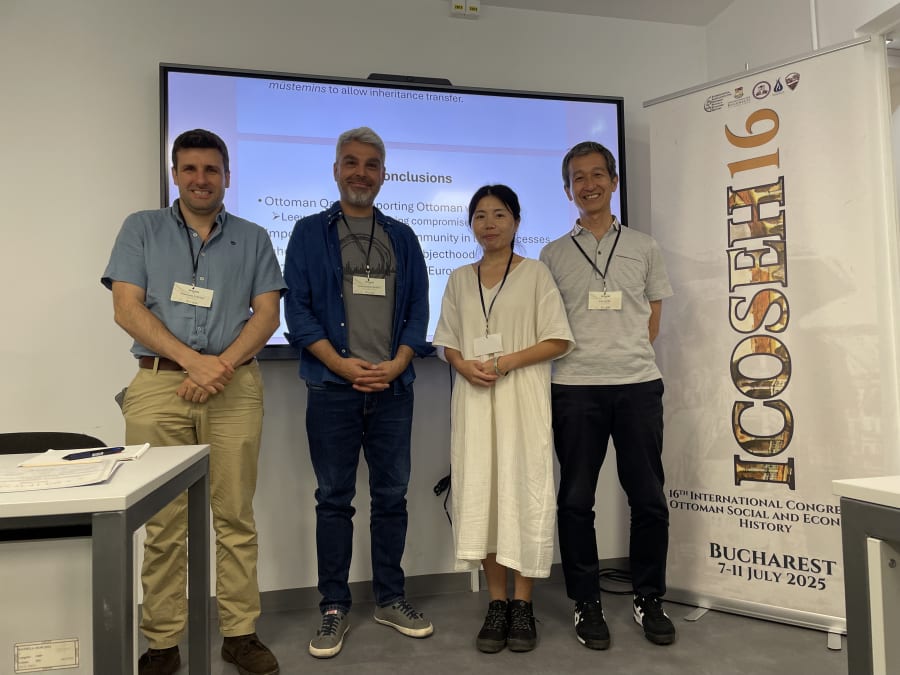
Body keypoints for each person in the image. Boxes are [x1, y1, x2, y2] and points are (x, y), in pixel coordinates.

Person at [102, 129, 284, 675]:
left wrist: (217, 366)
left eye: (211, 170)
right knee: (163, 523)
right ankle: (162, 641)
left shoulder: (253, 237)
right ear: (175, 175)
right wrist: (192, 360)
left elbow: (267, 316)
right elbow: (126, 308)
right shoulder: (141, 228)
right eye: (190, 169)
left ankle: (240, 634)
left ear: (227, 176)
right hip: (159, 385)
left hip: (235, 386)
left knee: (235, 517)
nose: (201, 179)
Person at [283, 126, 433, 659]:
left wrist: (398, 362)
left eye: (371, 164)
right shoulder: (308, 232)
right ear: (335, 170)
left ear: (384, 175)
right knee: (333, 500)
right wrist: (342, 365)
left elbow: (418, 309)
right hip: (331, 389)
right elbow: (297, 311)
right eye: (351, 162)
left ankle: (391, 598)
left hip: (393, 389)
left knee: (392, 498)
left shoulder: (404, 236)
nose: (360, 173)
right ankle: (333, 608)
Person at [539, 141, 676, 649]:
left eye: (598, 174)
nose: (589, 184)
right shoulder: (552, 254)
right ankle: (586, 601)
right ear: (568, 190)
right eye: (578, 177)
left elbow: (652, 318)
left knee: (648, 498)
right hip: (574, 389)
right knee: (576, 500)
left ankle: (649, 596)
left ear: (614, 182)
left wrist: (622, 355)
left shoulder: (644, 246)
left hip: (637, 385)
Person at [432, 185, 574, 653]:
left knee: (523, 494)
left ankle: (523, 604)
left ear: (515, 221)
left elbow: (558, 339)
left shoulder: (536, 274)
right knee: (484, 497)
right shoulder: (459, 278)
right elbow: (447, 340)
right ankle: (497, 603)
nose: (488, 224)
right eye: (480, 215)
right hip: (474, 401)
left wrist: (506, 361)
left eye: (498, 214)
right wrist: (461, 365)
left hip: (521, 400)